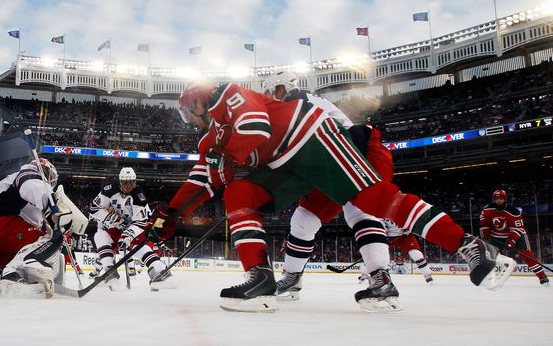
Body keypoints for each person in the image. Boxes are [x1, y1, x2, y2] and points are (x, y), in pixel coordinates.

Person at [151, 79, 514, 313]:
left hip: (312, 140)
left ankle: (468, 245)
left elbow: (255, 128)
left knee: (371, 202)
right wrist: (169, 214)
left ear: (198, 102)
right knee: (240, 193)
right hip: (287, 162)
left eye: (188, 111)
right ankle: (260, 277)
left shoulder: (230, 96)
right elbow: (202, 179)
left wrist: (226, 157)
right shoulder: (209, 138)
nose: (188, 120)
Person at [262, 72, 398, 312]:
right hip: (331, 160)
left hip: (357, 150)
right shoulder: (300, 104)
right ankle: (293, 278)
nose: (268, 101)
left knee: (360, 209)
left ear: (281, 89)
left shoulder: (297, 104)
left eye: (270, 94)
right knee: (303, 220)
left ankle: (382, 279)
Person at [0, 158, 88, 297]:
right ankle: (12, 273)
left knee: (29, 246)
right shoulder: (30, 173)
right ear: (46, 172)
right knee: (49, 238)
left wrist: (49, 222)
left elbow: (32, 221)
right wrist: (53, 206)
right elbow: (31, 186)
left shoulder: (13, 186)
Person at [89, 167, 174, 291]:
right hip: (117, 227)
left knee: (137, 248)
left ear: (135, 182)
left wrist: (128, 235)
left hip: (137, 228)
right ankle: (110, 272)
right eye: (125, 182)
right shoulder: (109, 190)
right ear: (120, 182)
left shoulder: (139, 196)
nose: (128, 186)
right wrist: (111, 217)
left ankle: (159, 269)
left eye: (131, 182)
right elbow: (93, 208)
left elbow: (140, 222)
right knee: (100, 236)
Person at [480, 189, 549, 286]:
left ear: (505, 199)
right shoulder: (487, 209)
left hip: (517, 234)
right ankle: (490, 273)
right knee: (489, 254)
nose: (499, 200)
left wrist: (511, 240)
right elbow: (484, 222)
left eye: (501, 198)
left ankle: (542, 277)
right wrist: (485, 233)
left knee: (526, 255)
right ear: (493, 199)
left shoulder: (513, 211)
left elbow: (518, 228)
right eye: (496, 198)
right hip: (496, 235)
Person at [383, 219, 434, 284]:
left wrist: (410, 227)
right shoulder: (380, 210)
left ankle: (427, 276)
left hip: (405, 235)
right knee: (379, 255)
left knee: (416, 254)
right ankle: (382, 278)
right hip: (387, 236)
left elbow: (414, 219)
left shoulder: (404, 209)